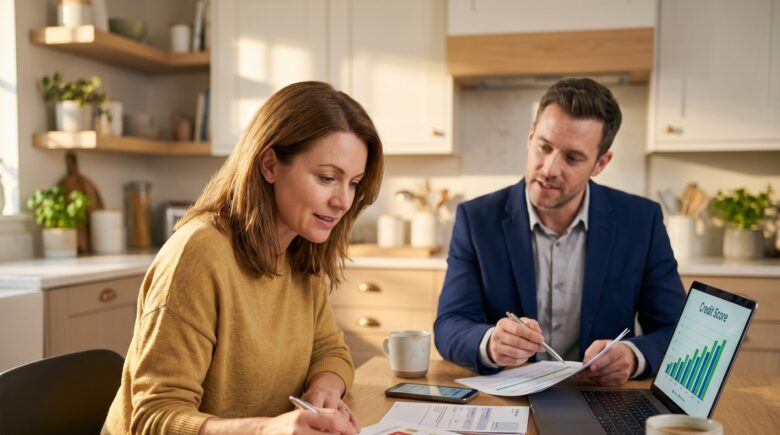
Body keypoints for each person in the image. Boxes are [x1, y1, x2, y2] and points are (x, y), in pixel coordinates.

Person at [102, 81, 383, 434]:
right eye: (327, 178)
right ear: (269, 165)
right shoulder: (198, 254)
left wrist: (323, 389)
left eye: (353, 183)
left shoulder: (299, 250)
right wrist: (266, 430)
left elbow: (330, 350)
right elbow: (154, 418)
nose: (343, 201)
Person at [434, 78, 685, 386]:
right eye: (544, 147)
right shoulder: (476, 219)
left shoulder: (641, 222)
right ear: (530, 136)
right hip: (506, 398)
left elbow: (676, 330)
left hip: (599, 399)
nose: (550, 168)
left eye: (572, 157)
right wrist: (489, 342)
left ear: (600, 163)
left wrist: (633, 355)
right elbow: (449, 325)